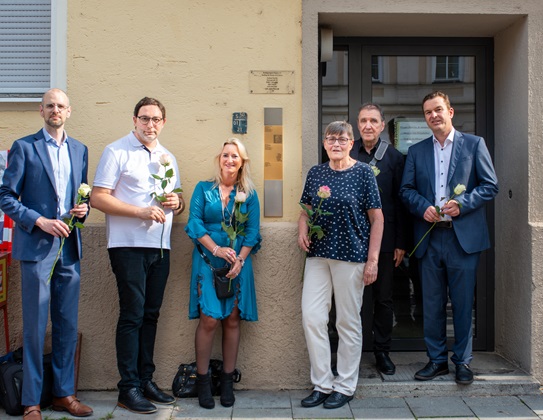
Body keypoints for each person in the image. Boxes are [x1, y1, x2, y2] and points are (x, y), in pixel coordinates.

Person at [0, 89, 93, 419]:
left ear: (69, 111)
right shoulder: (24, 147)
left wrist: (83, 209)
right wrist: (38, 220)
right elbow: (6, 196)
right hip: (36, 246)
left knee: (67, 324)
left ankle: (64, 394)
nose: (55, 110)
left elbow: (84, 196)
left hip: (69, 246)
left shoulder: (80, 150)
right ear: (41, 111)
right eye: (50, 105)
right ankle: (31, 401)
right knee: (35, 326)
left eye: (61, 106)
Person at [90, 97, 184, 414]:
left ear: (163, 123)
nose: (150, 125)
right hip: (127, 245)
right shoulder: (116, 151)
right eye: (144, 118)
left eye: (156, 119)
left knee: (151, 314)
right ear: (134, 120)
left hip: (160, 246)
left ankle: (145, 380)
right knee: (132, 314)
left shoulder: (167, 157)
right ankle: (127, 387)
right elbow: (98, 199)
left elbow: (177, 200)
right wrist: (139, 211)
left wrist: (177, 203)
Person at [399, 91, 498, 385]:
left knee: (463, 303)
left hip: (462, 239)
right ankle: (437, 360)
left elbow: (490, 185)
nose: (434, 116)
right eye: (428, 112)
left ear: (450, 112)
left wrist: (463, 203)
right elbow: (406, 190)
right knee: (431, 303)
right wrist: (424, 207)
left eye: (438, 110)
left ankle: (463, 362)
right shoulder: (416, 151)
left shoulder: (474, 144)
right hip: (430, 238)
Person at [298, 121, 384, 409]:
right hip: (319, 256)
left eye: (342, 139)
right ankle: (322, 383)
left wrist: (372, 260)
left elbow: (377, 219)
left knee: (347, 321)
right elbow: (306, 210)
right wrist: (301, 228)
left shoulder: (363, 173)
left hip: (352, 257)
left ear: (351, 143)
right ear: (324, 143)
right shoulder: (316, 173)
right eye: (331, 139)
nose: (336, 143)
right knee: (312, 317)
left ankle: (345, 385)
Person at [185, 138, 261, 409]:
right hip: (208, 259)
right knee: (208, 320)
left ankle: (227, 382)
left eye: (236, 156)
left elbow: (252, 232)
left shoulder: (249, 193)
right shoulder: (203, 189)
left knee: (231, 319)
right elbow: (193, 222)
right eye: (226, 155)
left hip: (239, 261)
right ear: (220, 158)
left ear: (242, 163)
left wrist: (240, 259)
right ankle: (203, 381)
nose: (230, 160)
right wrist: (216, 249)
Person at [350, 103, 408, 375]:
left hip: (385, 242)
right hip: (350, 239)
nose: (368, 125)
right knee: (352, 300)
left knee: (383, 299)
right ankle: (353, 353)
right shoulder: (347, 152)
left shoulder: (395, 158)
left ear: (382, 125)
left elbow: (400, 202)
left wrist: (400, 242)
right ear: (358, 125)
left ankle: (382, 352)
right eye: (363, 121)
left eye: (373, 120)